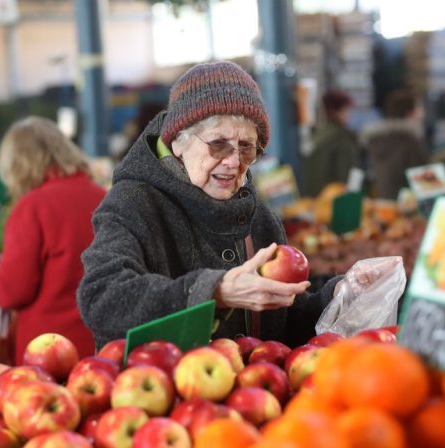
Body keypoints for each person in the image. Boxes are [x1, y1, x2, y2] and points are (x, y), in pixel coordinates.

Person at [78, 61, 387, 347]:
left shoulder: (259, 219)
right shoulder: (132, 204)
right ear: (179, 142)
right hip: (163, 400)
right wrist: (214, 291)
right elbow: (102, 298)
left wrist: (338, 295)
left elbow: (284, 324)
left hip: (250, 400)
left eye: (246, 147)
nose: (233, 161)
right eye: (218, 145)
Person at [0, 116, 106, 364]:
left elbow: (12, 292)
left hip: (48, 355)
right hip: (101, 347)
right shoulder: (103, 197)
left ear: (17, 165)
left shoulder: (32, 207)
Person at [361, 89, 427, 200]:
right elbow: (427, 184)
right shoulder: (409, 141)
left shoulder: (376, 139)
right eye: (419, 108)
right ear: (410, 112)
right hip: (407, 209)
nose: (422, 113)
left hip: (383, 204)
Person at [303, 90, 358, 196]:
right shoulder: (341, 138)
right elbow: (345, 175)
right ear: (335, 112)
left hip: (314, 199)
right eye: (345, 110)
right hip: (336, 200)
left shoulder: (316, 135)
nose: (349, 115)